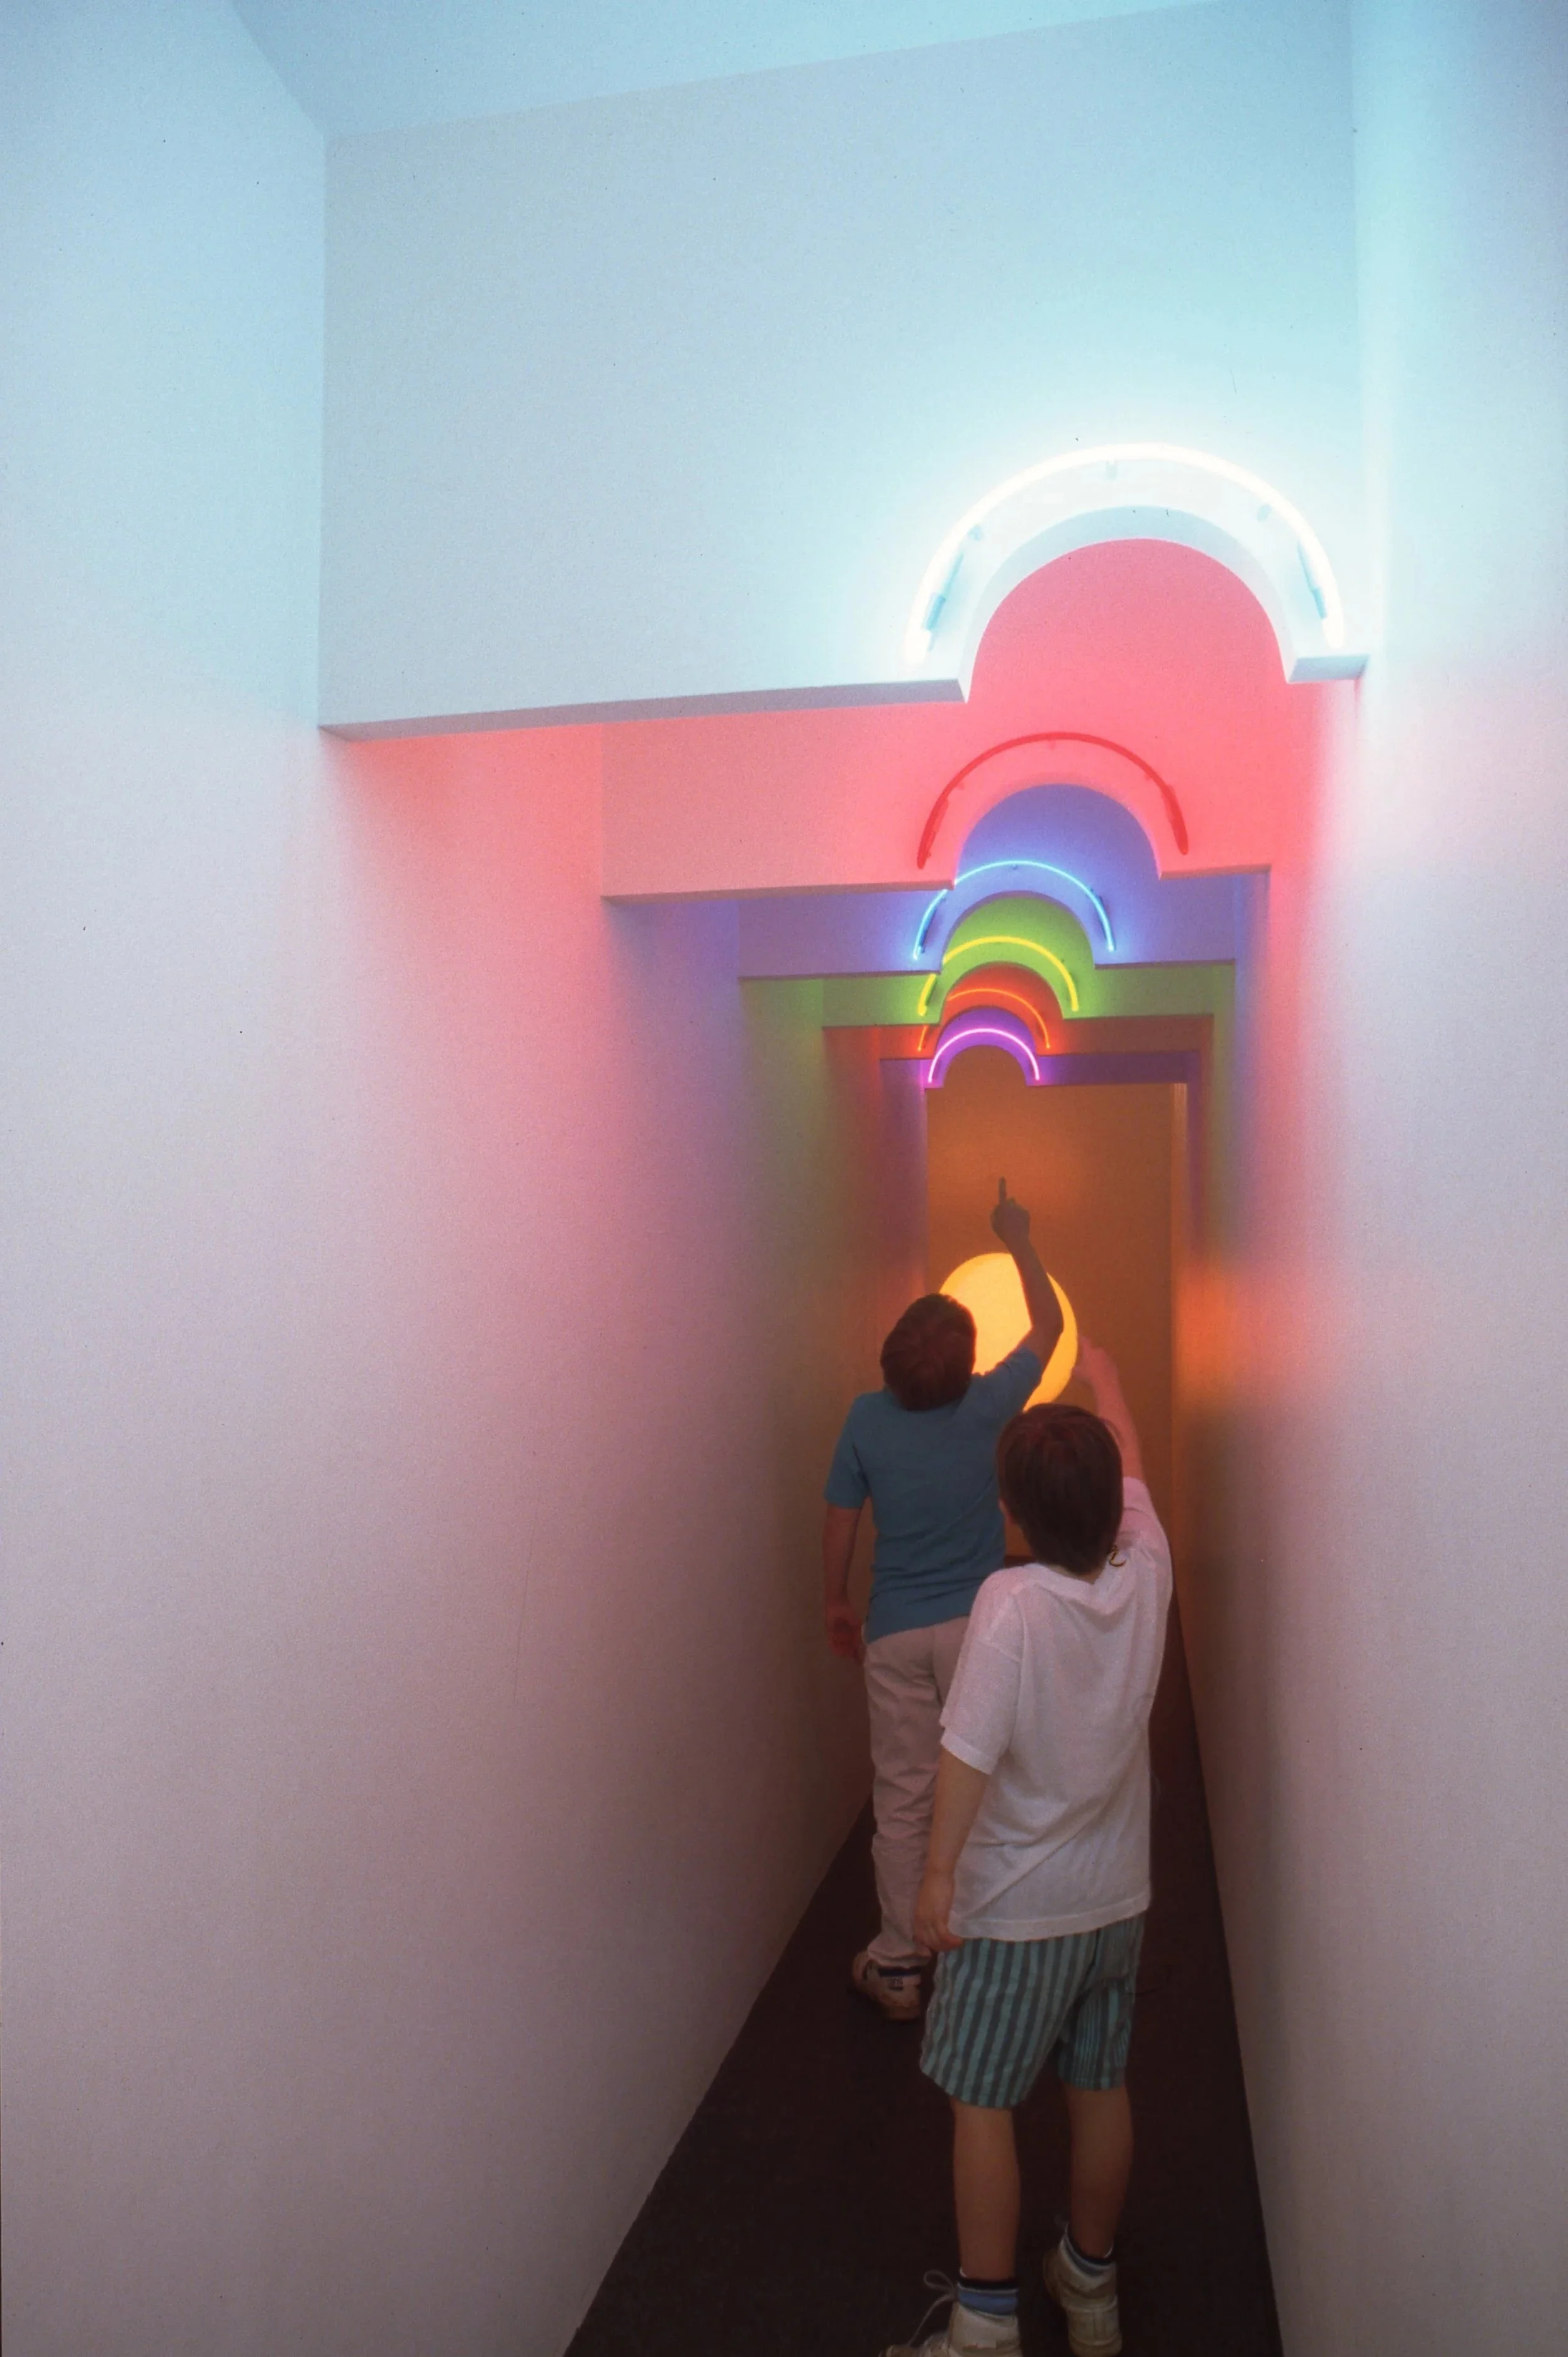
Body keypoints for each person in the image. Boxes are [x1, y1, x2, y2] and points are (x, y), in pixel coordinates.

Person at [882, 1341, 1172, 2357]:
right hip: (1116, 1906)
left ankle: (983, 2326)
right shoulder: (1148, 1559)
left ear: (1012, 1514)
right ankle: (1091, 2288)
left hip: (1015, 1913)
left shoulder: (1008, 1609)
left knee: (983, 2103)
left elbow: (964, 1757)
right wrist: (1109, 1376)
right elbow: (1131, 1457)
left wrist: (936, 1879)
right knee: (1100, 2089)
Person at [822, 1182, 1063, 2022]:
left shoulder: (864, 1418)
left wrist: (835, 1603)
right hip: (976, 1631)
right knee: (987, 1777)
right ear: (966, 1366)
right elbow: (1050, 1327)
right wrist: (1019, 1238)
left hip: (894, 1635)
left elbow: (842, 1519)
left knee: (904, 1797)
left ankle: (897, 1965)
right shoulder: (988, 1405)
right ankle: (987, 1937)